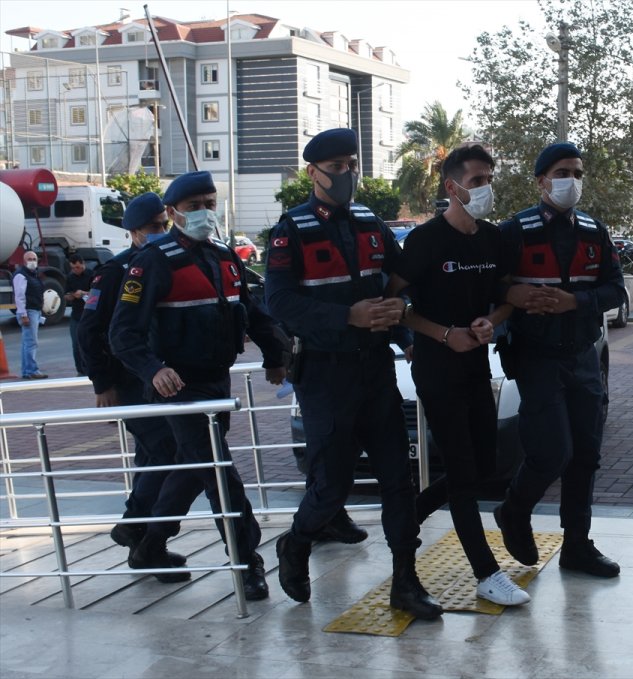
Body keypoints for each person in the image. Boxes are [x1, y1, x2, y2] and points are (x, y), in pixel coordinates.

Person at [264, 127, 441, 619]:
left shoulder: (370, 222)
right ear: (312, 173)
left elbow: (401, 279)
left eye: (352, 165)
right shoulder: (291, 230)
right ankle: (296, 543)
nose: (347, 175)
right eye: (337, 167)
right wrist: (348, 316)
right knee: (331, 486)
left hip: (376, 372)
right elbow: (276, 300)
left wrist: (400, 316)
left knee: (397, 482)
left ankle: (405, 581)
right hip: (325, 376)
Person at [109, 171, 286, 600]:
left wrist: (276, 355)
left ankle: (148, 544)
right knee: (221, 476)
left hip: (216, 384)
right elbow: (122, 333)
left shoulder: (224, 256)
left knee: (195, 470)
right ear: (171, 213)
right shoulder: (152, 261)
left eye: (210, 204)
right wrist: (153, 369)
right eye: (194, 207)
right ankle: (248, 563)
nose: (205, 213)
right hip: (179, 388)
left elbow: (253, 311)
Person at [386, 144, 530, 606]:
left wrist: (495, 319)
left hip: (475, 365)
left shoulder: (493, 239)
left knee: (484, 467)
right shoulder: (425, 241)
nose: (486, 188)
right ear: (451, 187)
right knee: (465, 474)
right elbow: (395, 306)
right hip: (436, 365)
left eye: (489, 178)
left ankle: (408, 517)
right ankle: (486, 574)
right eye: (476, 181)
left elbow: (506, 295)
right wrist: (442, 334)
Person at [495, 142, 626, 579]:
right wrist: (511, 293)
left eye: (578, 172)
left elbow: (615, 289)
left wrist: (577, 301)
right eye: (563, 172)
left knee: (585, 455)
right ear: (541, 180)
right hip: (536, 357)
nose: (573, 180)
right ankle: (514, 510)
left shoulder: (594, 231)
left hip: (583, 357)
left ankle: (577, 546)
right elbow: (489, 286)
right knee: (553, 451)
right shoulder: (515, 231)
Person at [78, 193, 188, 572]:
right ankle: (135, 525)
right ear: (134, 232)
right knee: (167, 451)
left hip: (159, 379)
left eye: (164, 224)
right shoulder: (114, 272)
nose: (162, 232)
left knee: (150, 457)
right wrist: (101, 384)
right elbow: (90, 332)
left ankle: (143, 550)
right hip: (128, 382)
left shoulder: (166, 262)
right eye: (154, 227)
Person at [12, 250, 47, 380]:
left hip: (34, 311)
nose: (32, 261)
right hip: (29, 311)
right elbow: (19, 297)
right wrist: (23, 314)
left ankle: (27, 371)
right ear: (24, 261)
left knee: (27, 343)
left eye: (34, 259)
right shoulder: (21, 275)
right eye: (29, 259)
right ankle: (32, 370)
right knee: (31, 342)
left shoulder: (34, 275)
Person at [64, 254, 93, 376]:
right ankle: (80, 370)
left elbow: (97, 293)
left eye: (77, 267)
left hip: (89, 314)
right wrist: (72, 295)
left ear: (82, 264)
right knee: (76, 344)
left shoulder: (92, 274)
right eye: (73, 268)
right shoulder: (70, 277)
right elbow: (66, 295)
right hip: (76, 314)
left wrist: (83, 293)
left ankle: (90, 367)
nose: (76, 270)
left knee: (89, 343)